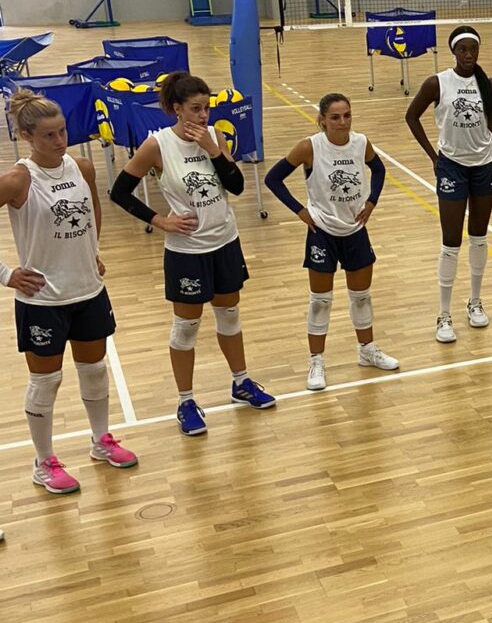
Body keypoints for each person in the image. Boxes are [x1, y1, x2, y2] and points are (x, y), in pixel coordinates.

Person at [110, 71, 275, 436]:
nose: (203, 116)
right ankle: (186, 401)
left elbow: (237, 187)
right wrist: (158, 220)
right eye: (196, 109)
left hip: (225, 241)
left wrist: (215, 152)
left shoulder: (215, 136)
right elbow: (119, 192)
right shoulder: (156, 146)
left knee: (229, 315)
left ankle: (241, 382)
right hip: (187, 251)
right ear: (175, 109)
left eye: (207, 108)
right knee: (186, 327)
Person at [0, 90, 137, 495]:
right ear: (27, 136)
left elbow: (93, 208)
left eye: (62, 132)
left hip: (88, 291)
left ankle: (101, 441)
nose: (60, 141)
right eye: (49, 136)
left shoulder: (81, 166)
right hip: (42, 300)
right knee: (47, 383)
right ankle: (44, 463)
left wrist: (92, 251)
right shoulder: (17, 179)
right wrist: (6, 274)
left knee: (95, 372)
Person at [265, 92, 399, 391]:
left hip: (354, 230)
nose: (342, 122)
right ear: (322, 120)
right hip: (321, 232)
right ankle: (316, 361)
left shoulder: (361, 143)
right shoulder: (309, 147)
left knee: (361, 295)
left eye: (347, 115)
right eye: (335, 117)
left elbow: (378, 169)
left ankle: (367, 350)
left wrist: (371, 201)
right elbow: (273, 179)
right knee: (320, 302)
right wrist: (300, 211)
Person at [405, 25, 492, 344]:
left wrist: (491, 148)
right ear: (454, 52)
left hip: (484, 167)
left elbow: (491, 121)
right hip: (452, 167)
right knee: (450, 240)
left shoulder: (488, 84)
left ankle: (474, 301)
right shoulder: (437, 83)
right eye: (463, 49)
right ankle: (443, 313)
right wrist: (434, 157)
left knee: (479, 235)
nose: (469, 54)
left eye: (474, 49)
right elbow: (411, 116)